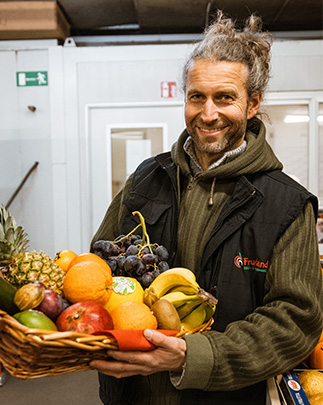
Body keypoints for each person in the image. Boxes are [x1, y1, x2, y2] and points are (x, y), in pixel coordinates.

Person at [89, 11, 323, 405]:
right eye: (197, 96)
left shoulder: (287, 204)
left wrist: (195, 357)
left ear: (253, 104)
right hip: (134, 395)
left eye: (225, 97)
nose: (208, 113)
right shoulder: (148, 178)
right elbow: (99, 267)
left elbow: (295, 320)